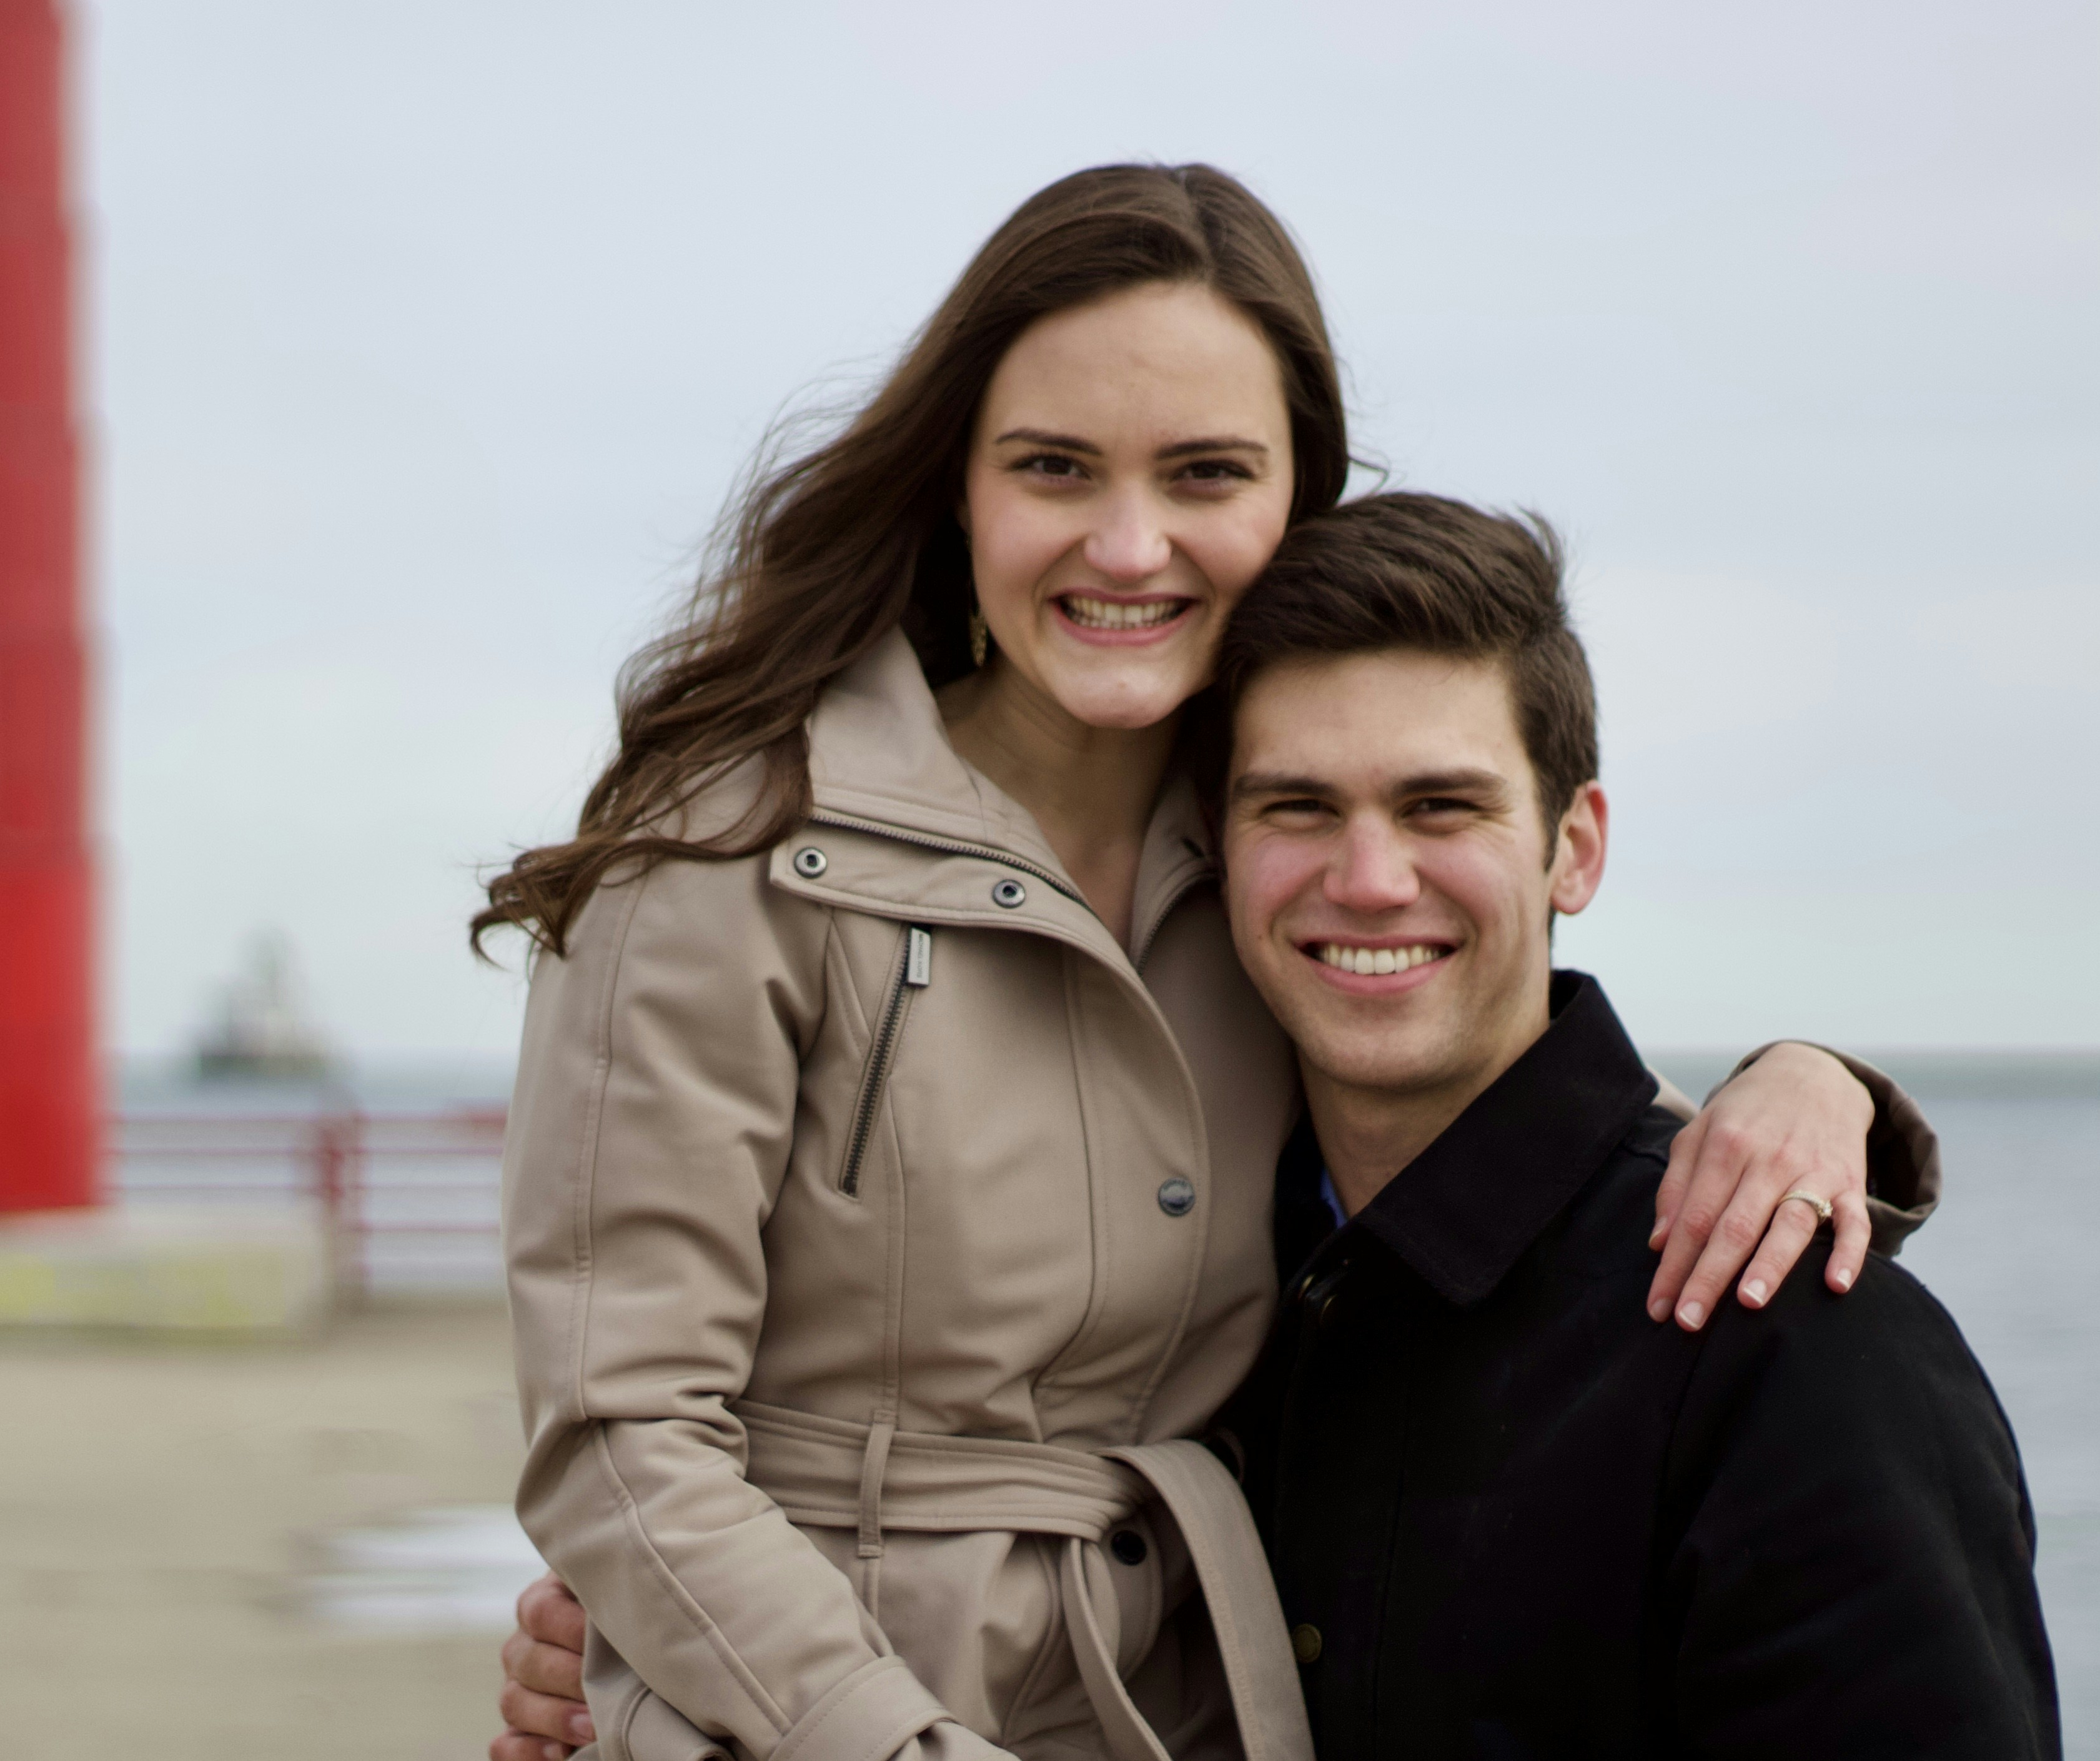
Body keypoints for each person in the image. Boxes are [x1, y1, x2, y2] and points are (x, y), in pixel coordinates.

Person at [478, 166, 1937, 1761]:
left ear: (1293, 499)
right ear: (957, 487)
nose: (1126, 544)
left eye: (1202, 474)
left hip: (1191, 1708)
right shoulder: (730, 852)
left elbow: (1505, 1112)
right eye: (1051, 468)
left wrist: (1809, 1088)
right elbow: (618, 1439)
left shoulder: (1273, 849)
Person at [1197, 492, 2054, 1757]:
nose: (1369, 880)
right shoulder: (1184, 1284)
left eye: (1441, 808)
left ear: (1573, 848)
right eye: (1294, 807)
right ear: (1212, 846)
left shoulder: (1791, 1340)